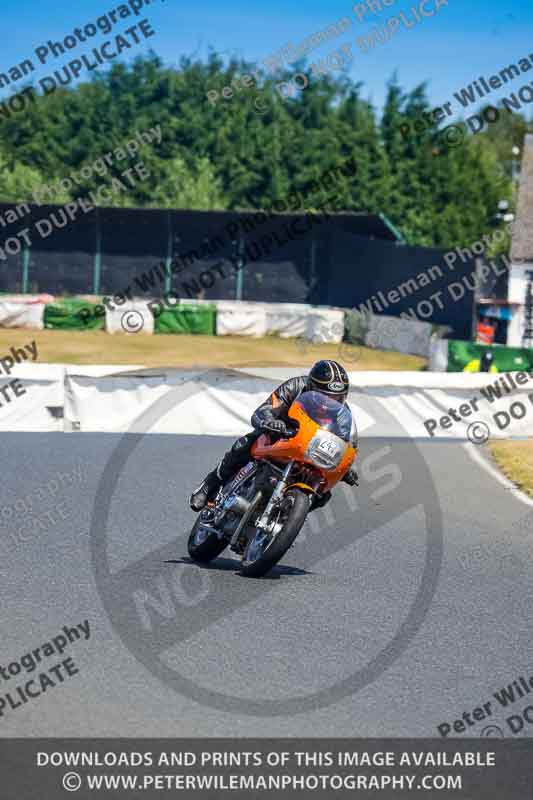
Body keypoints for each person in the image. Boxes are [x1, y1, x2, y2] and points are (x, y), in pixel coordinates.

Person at [189, 359, 359, 512]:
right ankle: (208, 486)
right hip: (280, 436)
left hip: (309, 451)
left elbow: (346, 445)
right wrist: (271, 422)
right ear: (311, 387)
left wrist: (345, 468)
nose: (329, 402)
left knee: (324, 494)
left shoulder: (343, 415)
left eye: (337, 397)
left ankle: (285, 518)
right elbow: (265, 409)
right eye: (323, 396)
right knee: (245, 444)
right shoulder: (295, 387)